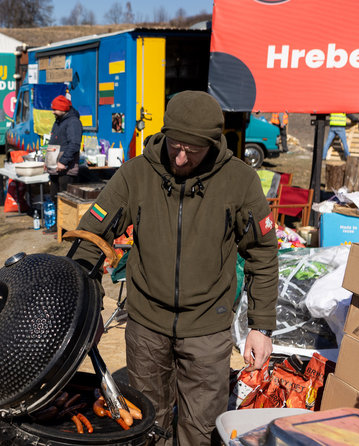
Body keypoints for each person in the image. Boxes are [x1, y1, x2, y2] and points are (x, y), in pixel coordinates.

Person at [72, 91, 278, 445]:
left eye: (192, 150)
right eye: (175, 145)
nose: (181, 157)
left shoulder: (239, 181)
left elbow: (262, 252)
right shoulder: (137, 174)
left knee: (200, 428)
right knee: (149, 423)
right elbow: (92, 235)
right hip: (146, 325)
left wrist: (261, 326)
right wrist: (78, 308)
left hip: (207, 329)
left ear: (213, 143)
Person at [48, 94, 82, 192]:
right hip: (55, 168)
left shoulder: (73, 122)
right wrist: (48, 161)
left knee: (65, 200)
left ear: (62, 109)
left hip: (66, 170)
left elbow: (74, 144)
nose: (52, 112)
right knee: (54, 197)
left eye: (55, 109)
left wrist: (63, 161)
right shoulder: (58, 121)